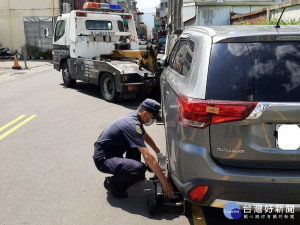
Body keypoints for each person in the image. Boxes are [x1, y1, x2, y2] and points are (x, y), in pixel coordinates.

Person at [93, 99, 173, 199]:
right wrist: (164, 181)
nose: (153, 121)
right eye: (153, 118)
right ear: (144, 113)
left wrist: (159, 153)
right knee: (139, 168)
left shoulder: (135, 117)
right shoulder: (132, 125)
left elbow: (145, 136)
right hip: (104, 158)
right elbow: (148, 157)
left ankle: (134, 175)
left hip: (113, 151)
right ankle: (113, 184)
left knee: (137, 143)